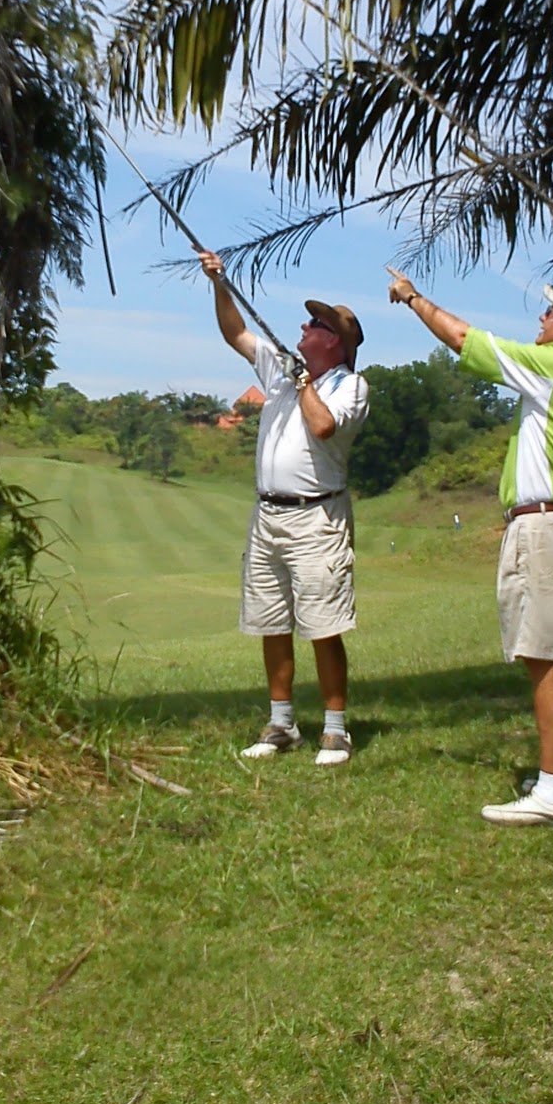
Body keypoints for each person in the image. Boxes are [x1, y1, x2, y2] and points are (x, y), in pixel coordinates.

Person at [386, 269, 553, 825]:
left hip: (545, 527)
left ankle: (551, 794)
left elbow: (464, 339)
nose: (542, 319)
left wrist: (413, 299)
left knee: (542, 656)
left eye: (552, 313)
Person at [198, 249, 370, 766]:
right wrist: (219, 284)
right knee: (271, 621)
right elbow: (235, 333)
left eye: (315, 324)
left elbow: (323, 426)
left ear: (333, 341)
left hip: (317, 517)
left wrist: (302, 383)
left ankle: (335, 730)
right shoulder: (281, 368)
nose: (303, 326)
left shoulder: (350, 386)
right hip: (267, 516)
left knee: (322, 624)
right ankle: (281, 724)